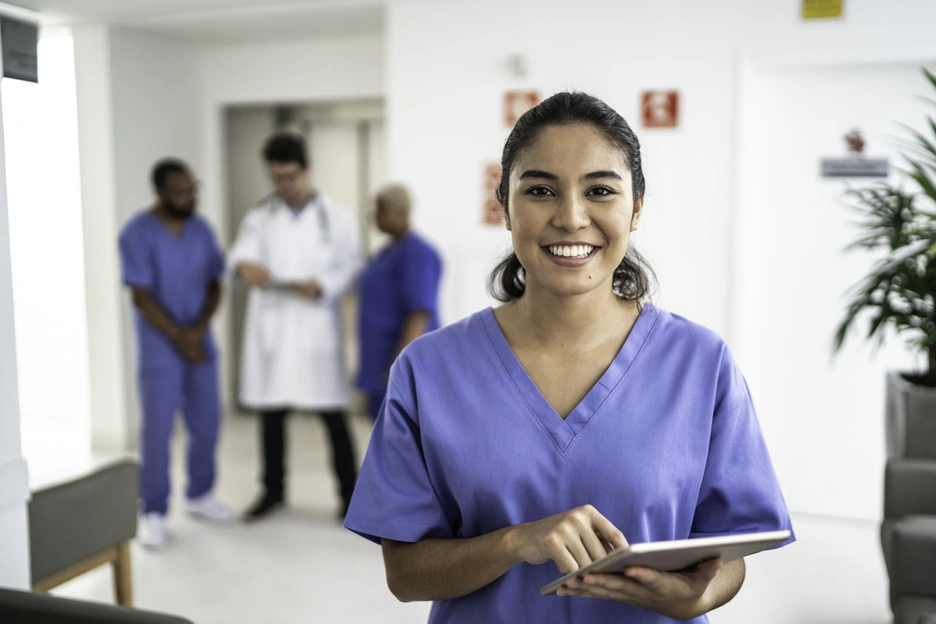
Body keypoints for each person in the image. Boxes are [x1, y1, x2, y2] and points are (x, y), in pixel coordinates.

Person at [343, 92, 794, 622]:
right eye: (539, 190)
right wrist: (516, 542)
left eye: (600, 190)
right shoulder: (427, 370)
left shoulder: (701, 363)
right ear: (504, 208)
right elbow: (406, 575)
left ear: (637, 208)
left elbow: (731, 551)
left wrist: (701, 594)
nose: (571, 217)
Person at [228, 132, 362, 521]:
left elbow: (351, 264)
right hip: (274, 330)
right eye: (276, 178)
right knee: (271, 415)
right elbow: (239, 256)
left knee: (333, 417)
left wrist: (323, 285)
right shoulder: (260, 217)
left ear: (306, 171)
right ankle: (272, 491)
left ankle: (351, 499)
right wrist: (243, 267)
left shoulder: (335, 217)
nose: (283, 185)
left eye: (290, 176)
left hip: (315, 324)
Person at [118, 158, 234, 550]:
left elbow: (216, 282)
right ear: (160, 193)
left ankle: (200, 494)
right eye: (180, 191)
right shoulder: (137, 232)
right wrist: (178, 335)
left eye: (192, 189)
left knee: (207, 422)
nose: (189, 197)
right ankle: (153, 509)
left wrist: (197, 331)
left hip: (199, 344)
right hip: (160, 349)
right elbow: (140, 294)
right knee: (158, 429)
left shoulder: (201, 229)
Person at [356, 184, 443, 420]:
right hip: (379, 362)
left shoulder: (417, 253)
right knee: (382, 440)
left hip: (398, 366)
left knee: (403, 442)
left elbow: (420, 313)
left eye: (379, 210)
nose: (372, 216)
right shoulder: (387, 251)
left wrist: (400, 366)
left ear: (398, 213)